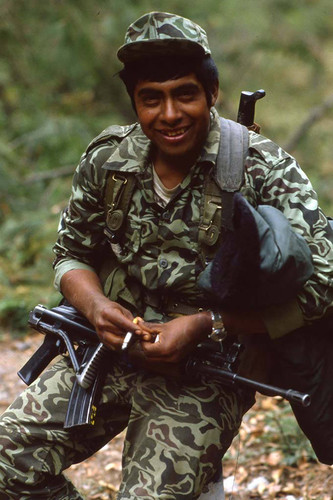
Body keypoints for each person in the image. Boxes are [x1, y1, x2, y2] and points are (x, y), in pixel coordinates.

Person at [1, 11, 333, 500]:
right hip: (106, 353)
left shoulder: (261, 166)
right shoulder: (108, 161)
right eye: (151, 99)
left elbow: (323, 285)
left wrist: (207, 323)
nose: (170, 114)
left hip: (208, 369)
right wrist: (96, 309)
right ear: (134, 101)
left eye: (185, 94)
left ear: (211, 93)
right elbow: (71, 254)